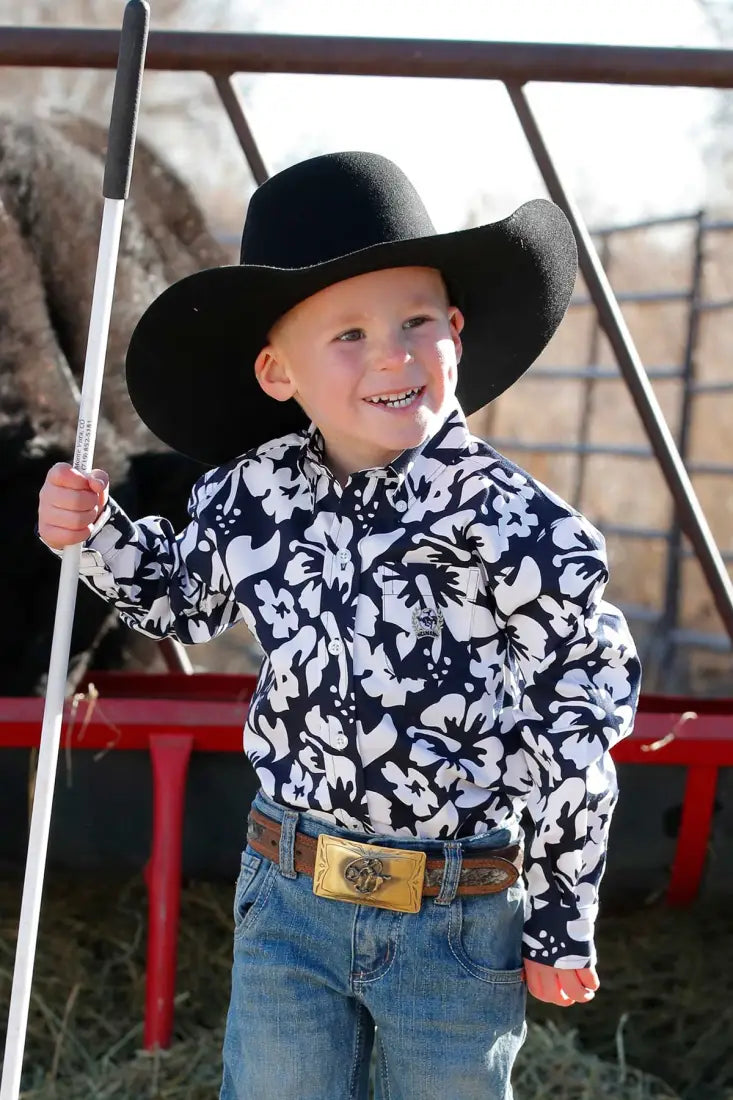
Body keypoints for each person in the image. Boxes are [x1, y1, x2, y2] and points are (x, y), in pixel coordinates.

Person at [38, 151, 641, 1099]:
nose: (393, 354)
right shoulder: (253, 495)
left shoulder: (522, 529)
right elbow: (177, 599)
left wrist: (561, 914)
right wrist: (94, 534)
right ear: (278, 373)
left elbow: (578, 725)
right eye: (348, 335)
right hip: (289, 892)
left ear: (455, 330)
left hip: (459, 910)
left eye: (414, 322)